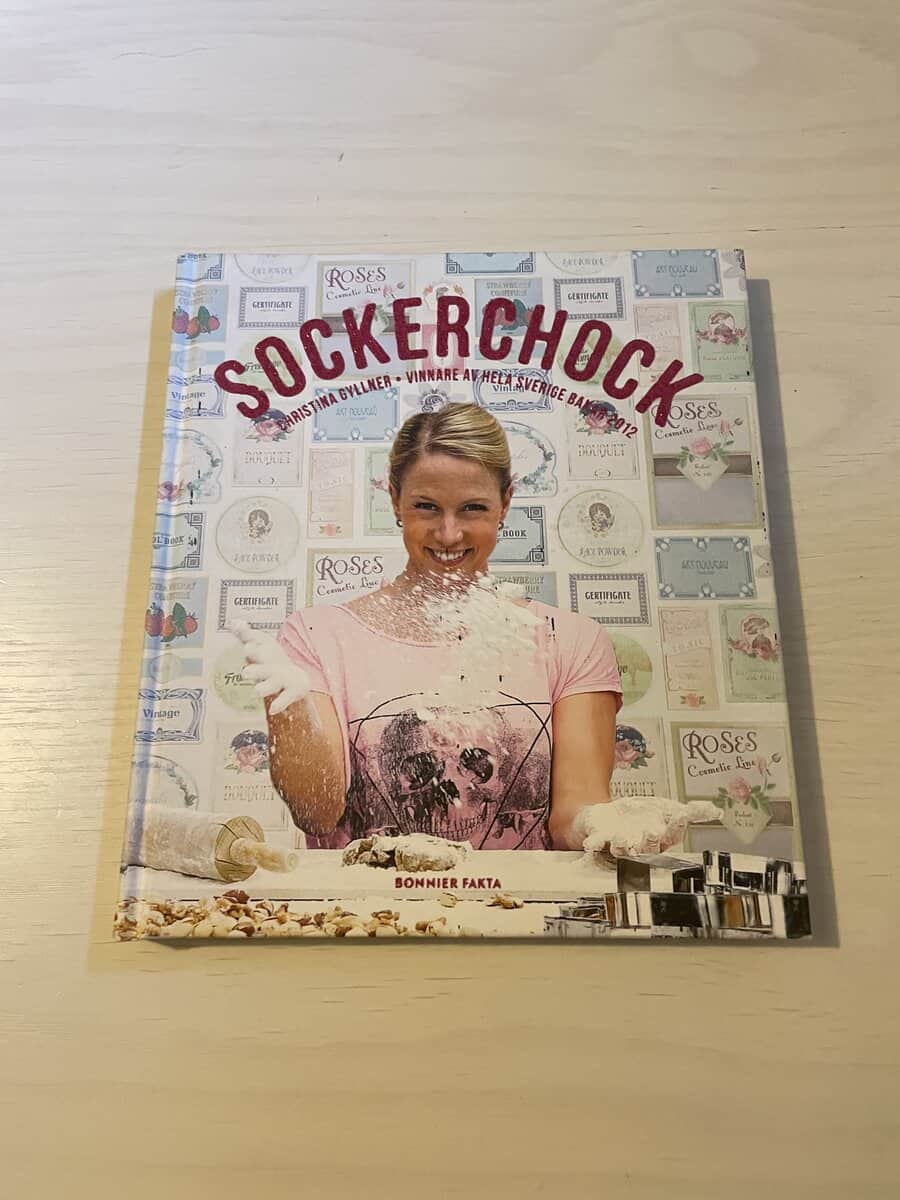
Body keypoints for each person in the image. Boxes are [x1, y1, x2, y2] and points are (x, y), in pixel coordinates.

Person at [233, 403, 718, 857]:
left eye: (472, 508)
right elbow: (317, 816)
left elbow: (572, 814)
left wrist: (602, 826)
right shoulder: (317, 637)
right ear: (395, 499)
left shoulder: (570, 641)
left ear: (505, 502)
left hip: (521, 912)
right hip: (367, 915)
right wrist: (296, 713)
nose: (449, 533)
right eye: (426, 507)